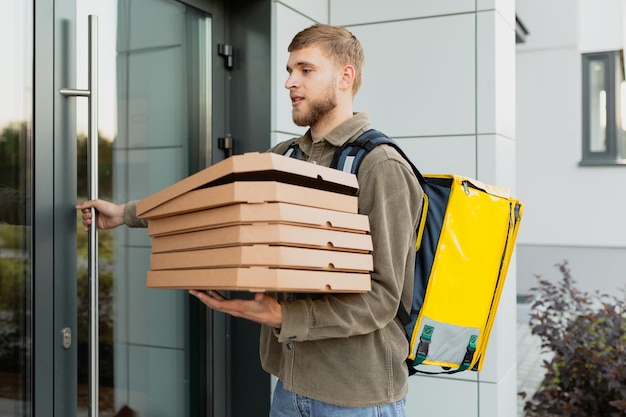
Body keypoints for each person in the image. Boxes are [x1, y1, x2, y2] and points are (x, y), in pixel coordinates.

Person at [77, 23, 423, 417]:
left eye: (305, 70)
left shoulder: (381, 166)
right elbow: (210, 201)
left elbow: (383, 297)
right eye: (289, 70)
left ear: (346, 77)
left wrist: (282, 316)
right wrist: (124, 214)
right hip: (289, 385)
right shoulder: (286, 156)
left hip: (356, 396)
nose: (290, 82)